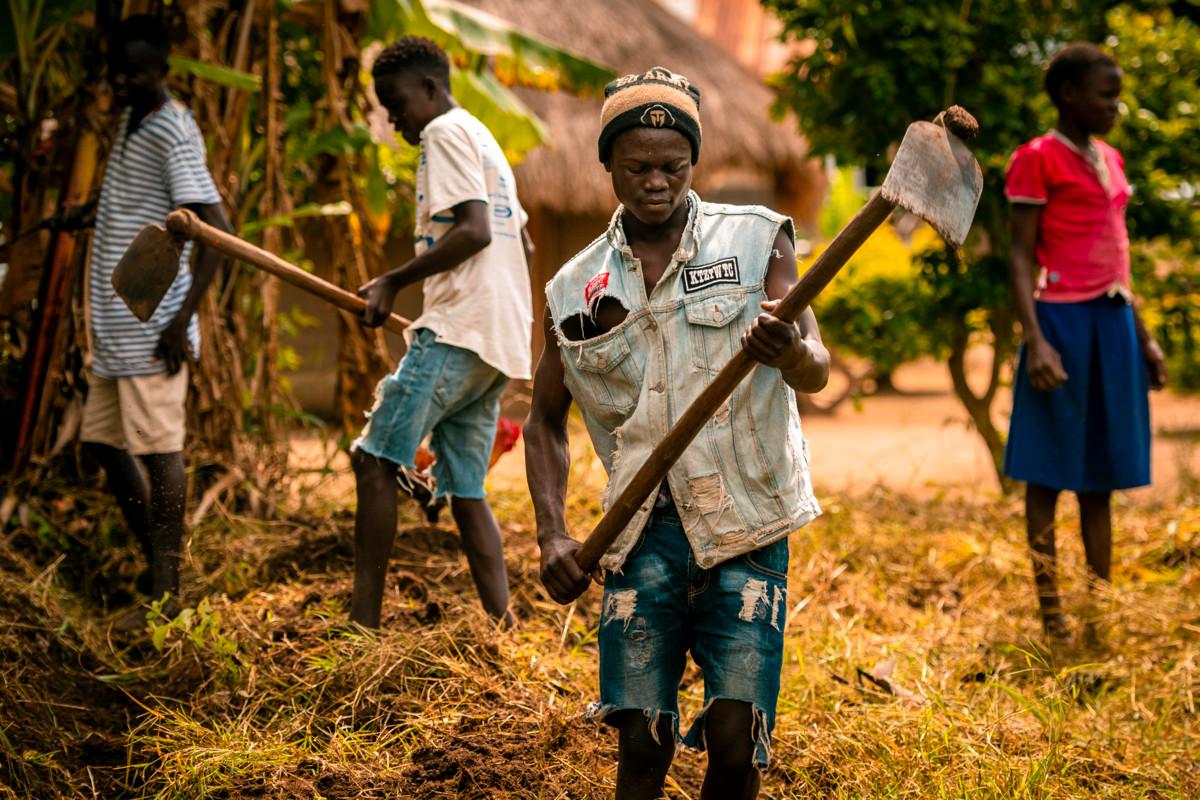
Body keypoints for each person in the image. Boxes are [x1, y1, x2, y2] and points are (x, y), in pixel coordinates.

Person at [525, 67, 829, 800]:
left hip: (747, 522)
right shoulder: (574, 288)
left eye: (673, 166)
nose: (656, 182)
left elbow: (816, 368)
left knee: (733, 737)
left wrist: (788, 352)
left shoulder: (758, 241)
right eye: (636, 167)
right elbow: (543, 421)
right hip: (640, 532)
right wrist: (551, 535)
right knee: (642, 739)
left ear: (695, 162)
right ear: (606, 164)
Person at [352, 37, 533, 630]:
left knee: (376, 462)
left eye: (396, 102)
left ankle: (361, 628)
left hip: (458, 329)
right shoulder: (483, 137)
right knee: (466, 489)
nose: (393, 118)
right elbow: (519, 240)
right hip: (497, 341)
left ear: (429, 89)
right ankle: (502, 626)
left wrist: (392, 281)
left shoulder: (443, 133)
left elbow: (476, 230)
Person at [67, 15, 233, 626]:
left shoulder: (171, 128)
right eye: (118, 66)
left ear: (162, 68)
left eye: (135, 69)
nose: (123, 77)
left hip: (151, 328)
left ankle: (167, 591)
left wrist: (179, 322)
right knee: (103, 446)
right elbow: (142, 207)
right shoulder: (129, 120)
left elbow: (216, 232)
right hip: (114, 329)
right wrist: (87, 214)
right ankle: (158, 564)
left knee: (161, 453)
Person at [1004, 43, 1167, 641]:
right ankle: (1053, 621)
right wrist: (1036, 340)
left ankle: (1101, 616)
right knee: (1047, 473)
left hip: (1113, 324)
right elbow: (1022, 258)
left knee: (1100, 479)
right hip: (1062, 327)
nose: (1116, 105)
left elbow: (1117, 262)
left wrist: (1143, 337)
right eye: (1107, 93)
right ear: (1069, 95)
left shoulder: (1112, 160)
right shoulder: (1036, 159)